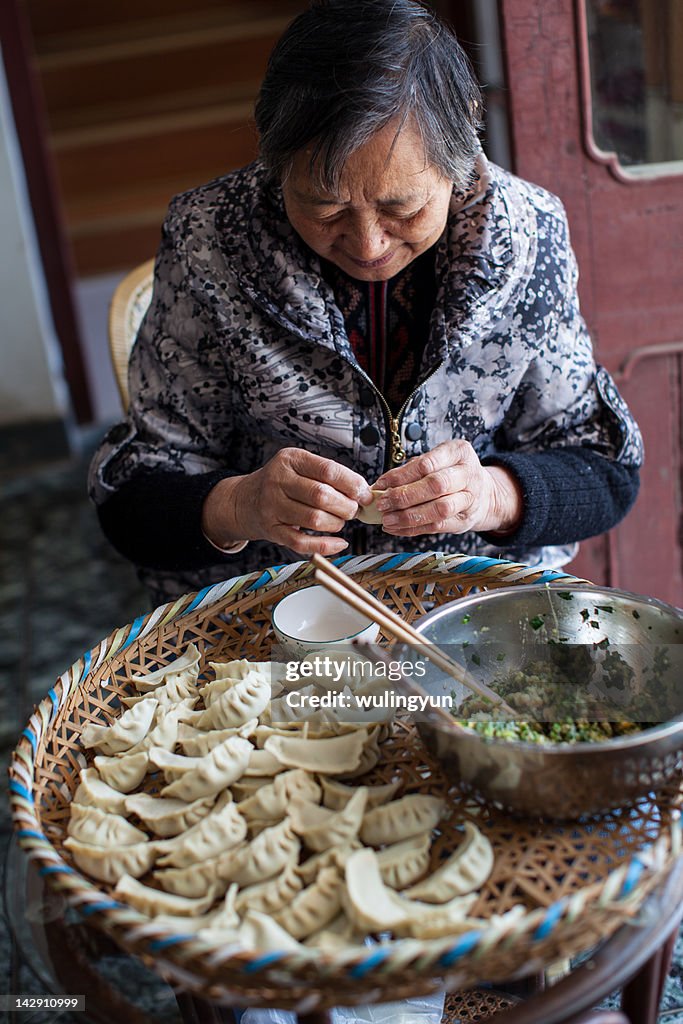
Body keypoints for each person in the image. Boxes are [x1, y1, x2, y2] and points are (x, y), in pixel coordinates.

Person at [89, 0, 643, 604]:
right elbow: (131, 496)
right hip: (277, 615)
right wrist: (240, 506)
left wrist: (489, 495)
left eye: (402, 208)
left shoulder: (526, 234)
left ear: (461, 142)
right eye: (324, 209)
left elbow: (603, 469)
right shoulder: (210, 242)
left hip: (475, 609)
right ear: (275, 161)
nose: (368, 244)